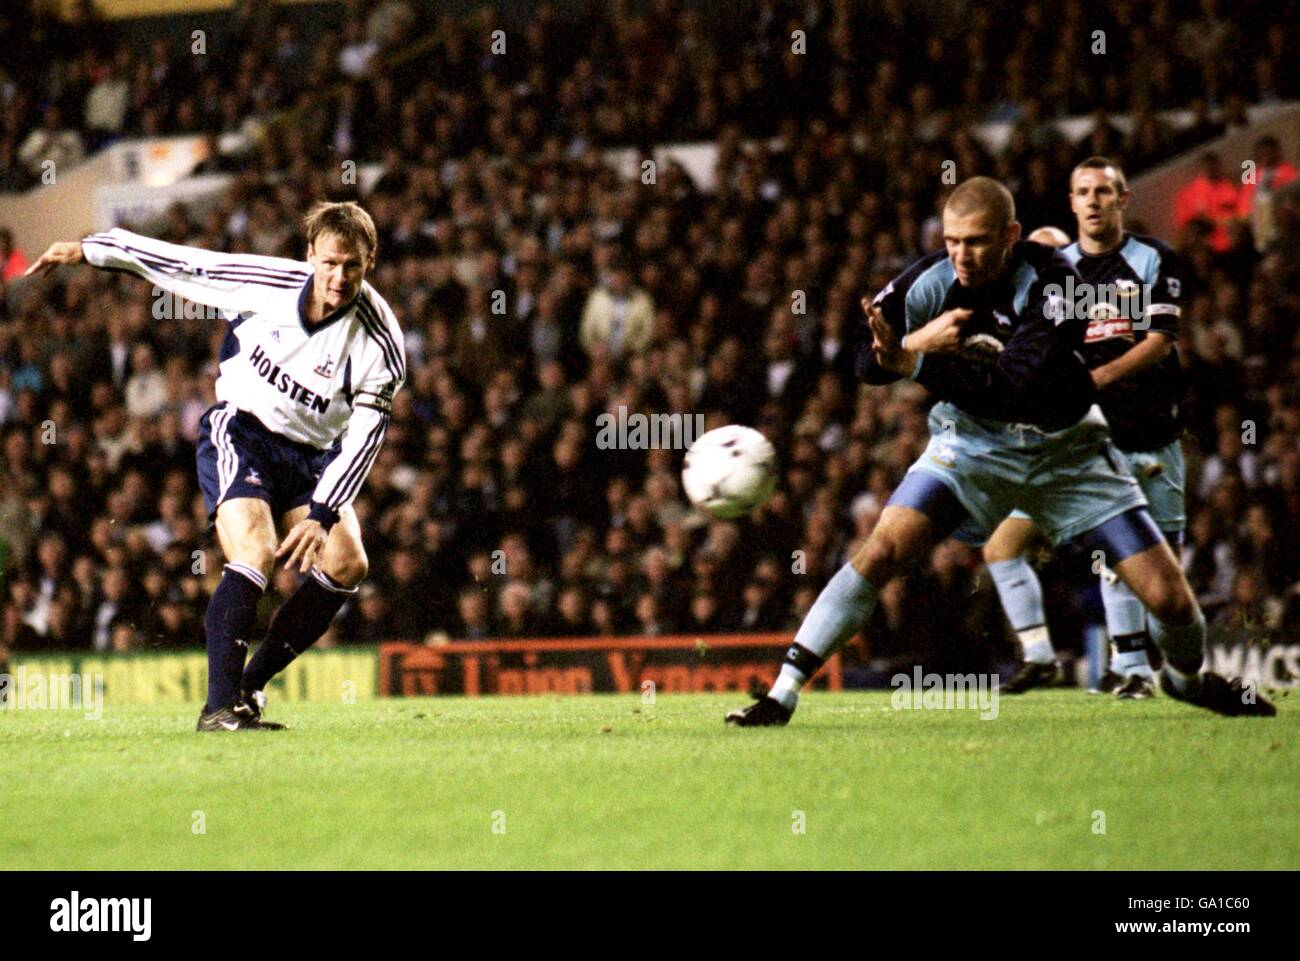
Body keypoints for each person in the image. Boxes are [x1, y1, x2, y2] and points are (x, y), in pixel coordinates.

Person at [726, 176, 1275, 726]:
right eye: (953, 241)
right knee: (882, 551)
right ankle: (783, 693)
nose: (962, 255)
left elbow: (1014, 388)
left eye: (978, 241)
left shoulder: (1058, 280)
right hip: (972, 448)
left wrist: (915, 362)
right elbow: (863, 360)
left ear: (1012, 234)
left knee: (1172, 603)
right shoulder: (930, 279)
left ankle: (1186, 680)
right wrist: (911, 345)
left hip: (1069, 453)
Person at [26, 201, 406, 731]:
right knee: (256, 549)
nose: (339, 278)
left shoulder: (380, 343)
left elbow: (365, 440)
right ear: (310, 256)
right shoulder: (268, 282)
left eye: (353, 266)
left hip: (312, 455)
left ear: (371, 262)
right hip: (242, 430)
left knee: (348, 563)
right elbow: (186, 265)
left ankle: (250, 684)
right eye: (329, 262)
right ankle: (219, 707)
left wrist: (322, 513)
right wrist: (93, 250)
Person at [987, 158, 1189, 700]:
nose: (1094, 201)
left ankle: (1172, 672)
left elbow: (1160, 339)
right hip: (1085, 438)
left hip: (1152, 431)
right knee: (1094, 554)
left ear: (1123, 199)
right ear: (1072, 202)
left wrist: (1095, 376)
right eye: (1083, 192)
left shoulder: (1153, 259)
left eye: (1104, 191)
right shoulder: (1057, 270)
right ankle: (1123, 670)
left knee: (1162, 572)